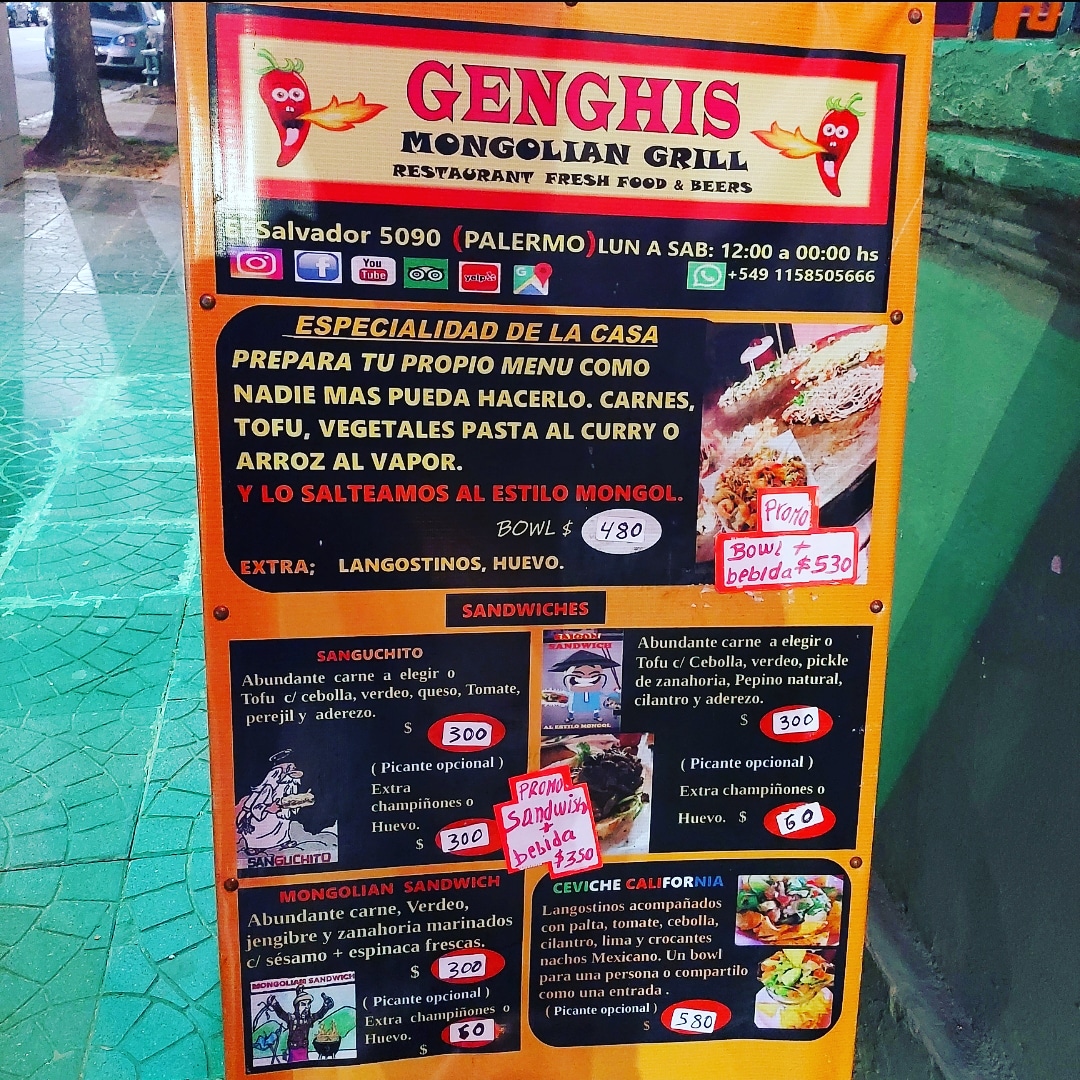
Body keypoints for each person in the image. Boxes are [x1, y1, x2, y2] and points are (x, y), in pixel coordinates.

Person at [236, 751, 305, 853]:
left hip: (280, 817)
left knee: (283, 823)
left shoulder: (289, 785)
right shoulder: (268, 787)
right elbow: (255, 806)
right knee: (262, 827)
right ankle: (255, 846)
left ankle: (283, 841)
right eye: (289, 767)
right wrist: (268, 808)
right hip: (261, 816)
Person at [548, 649, 621, 723]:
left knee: (595, 706)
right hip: (576, 701)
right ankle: (570, 717)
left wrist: (618, 692)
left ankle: (596, 716)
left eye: (593, 675)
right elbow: (562, 697)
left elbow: (606, 695)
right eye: (579, 675)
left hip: (593, 699)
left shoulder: (596, 691)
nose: (586, 679)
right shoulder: (572, 692)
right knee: (572, 707)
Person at [267, 985, 334, 1063]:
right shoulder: (291, 1019)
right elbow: (281, 1013)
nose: (307, 1007)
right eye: (303, 1004)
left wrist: (325, 1007)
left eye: (308, 1004)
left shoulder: (309, 1019)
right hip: (293, 1052)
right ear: (297, 1006)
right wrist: (274, 1004)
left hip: (304, 1052)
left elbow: (319, 1015)